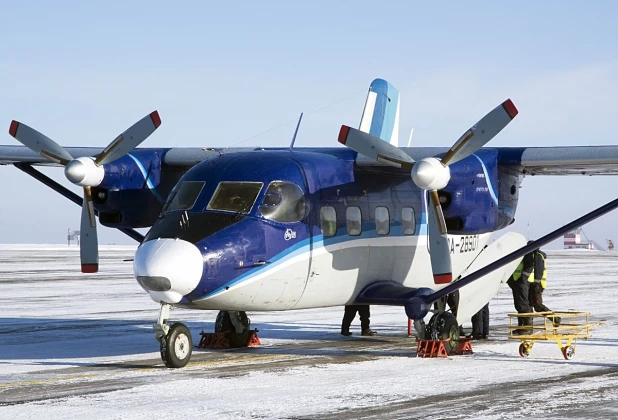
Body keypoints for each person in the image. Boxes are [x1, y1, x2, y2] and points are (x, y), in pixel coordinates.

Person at [507, 242, 535, 334]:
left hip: (523, 282)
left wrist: (522, 279)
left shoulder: (526, 252)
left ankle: (527, 327)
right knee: (519, 304)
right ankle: (522, 326)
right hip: (517, 281)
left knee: (523, 304)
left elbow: (529, 266)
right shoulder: (519, 252)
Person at [528, 248, 561, 326]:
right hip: (535, 284)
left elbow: (538, 271)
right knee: (529, 304)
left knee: (537, 305)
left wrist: (536, 283)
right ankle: (528, 325)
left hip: (537, 284)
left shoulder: (538, 256)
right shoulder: (536, 255)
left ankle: (555, 318)